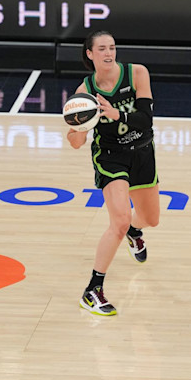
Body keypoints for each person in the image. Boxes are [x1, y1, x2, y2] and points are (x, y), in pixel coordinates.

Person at [68, 31, 160, 316]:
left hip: (142, 151)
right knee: (118, 221)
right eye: (102, 49)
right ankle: (93, 290)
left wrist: (116, 114)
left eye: (112, 48)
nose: (109, 53)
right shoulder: (84, 94)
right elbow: (74, 141)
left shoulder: (136, 74)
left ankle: (136, 230)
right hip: (111, 157)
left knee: (150, 219)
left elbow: (146, 120)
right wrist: (78, 128)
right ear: (90, 54)